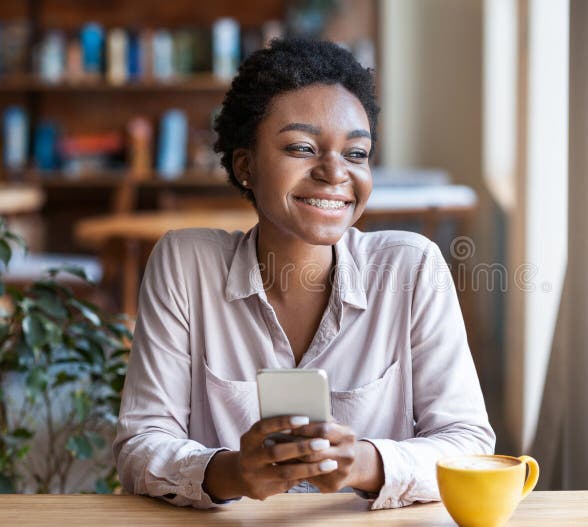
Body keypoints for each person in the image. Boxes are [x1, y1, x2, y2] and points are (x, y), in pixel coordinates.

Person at [112, 38, 494, 510]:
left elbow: (470, 443)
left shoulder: (412, 268)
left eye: (356, 153)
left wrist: (364, 462)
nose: (335, 172)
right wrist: (231, 472)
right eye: (302, 147)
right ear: (245, 165)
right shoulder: (185, 264)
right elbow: (139, 444)